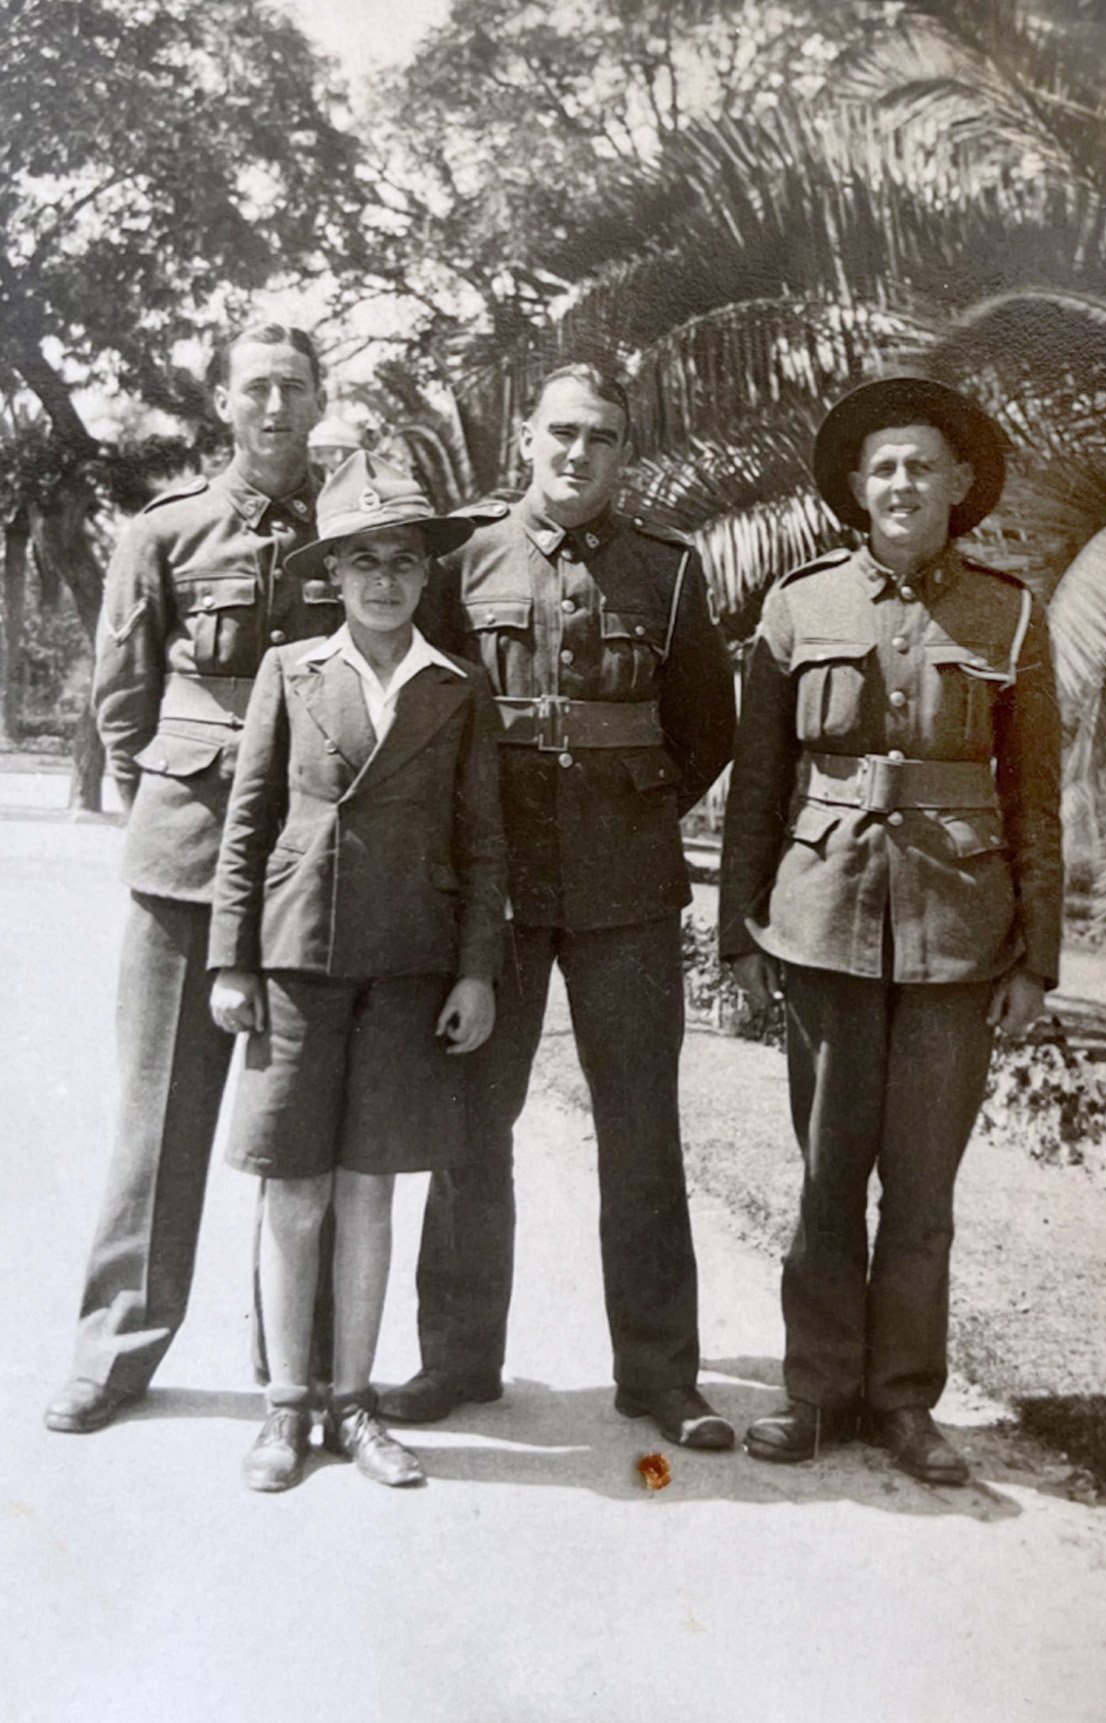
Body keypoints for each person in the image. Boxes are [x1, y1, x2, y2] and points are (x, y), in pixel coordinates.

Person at [382, 362, 739, 1451]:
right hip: (493, 892)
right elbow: (431, 711)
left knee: (642, 1134)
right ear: (523, 441)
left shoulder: (668, 572)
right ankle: (456, 1356)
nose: (578, 453)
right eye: (561, 433)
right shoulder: (462, 562)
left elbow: (704, 728)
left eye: (602, 437)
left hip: (625, 892)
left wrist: (628, 808)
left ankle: (660, 1377)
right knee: (469, 1127)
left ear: (624, 452)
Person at [719, 375, 1062, 1485]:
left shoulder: (1008, 612)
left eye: (922, 464)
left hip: (958, 937)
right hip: (821, 923)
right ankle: (817, 1393)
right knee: (825, 1175)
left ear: (960, 484)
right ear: (854, 492)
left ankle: (906, 1402)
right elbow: (757, 783)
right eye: (883, 467)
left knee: (921, 1186)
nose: (903, 482)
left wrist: (1038, 957)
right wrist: (741, 932)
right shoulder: (795, 604)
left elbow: (1035, 799)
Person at [45, 321, 340, 1434]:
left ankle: (295, 1373)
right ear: (225, 402)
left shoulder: (349, 533)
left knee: (298, 1120)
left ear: (320, 403)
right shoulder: (164, 531)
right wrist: (174, 795)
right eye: (256, 387)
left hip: (314, 863)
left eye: (295, 388)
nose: (275, 407)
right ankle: (115, 1345)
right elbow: (122, 697)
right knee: (159, 1116)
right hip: (189, 854)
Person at [208, 452, 506, 1492]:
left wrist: (475, 971)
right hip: (296, 961)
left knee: (370, 1189)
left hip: (408, 965)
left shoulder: (457, 686)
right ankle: (285, 1406)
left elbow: (482, 841)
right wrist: (230, 958)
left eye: (404, 560)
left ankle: (354, 1401)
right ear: (332, 574)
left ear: (429, 577)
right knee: (292, 1188)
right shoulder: (291, 670)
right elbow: (246, 826)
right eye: (362, 559)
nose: (384, 578)